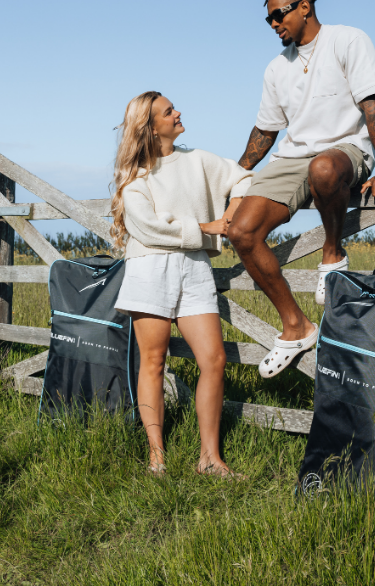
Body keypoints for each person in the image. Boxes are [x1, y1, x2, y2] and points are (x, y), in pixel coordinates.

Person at [227, 0, 375, 379]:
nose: (273, 24)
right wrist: (233, 176)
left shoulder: (348, 40)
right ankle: (296, 326)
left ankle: (332, 254)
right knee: (241, 231)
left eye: (279, 14)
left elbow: (372, 106)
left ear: (304, 6)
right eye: (268, 19)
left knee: (323, 168)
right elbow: (266, 132)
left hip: (345, 152)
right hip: (293, 158)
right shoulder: (276, 68)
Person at [110, 91, 251, 477]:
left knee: (214, 360)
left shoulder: (199, 160)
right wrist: (207, 227)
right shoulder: (135, 177)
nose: (178, 113)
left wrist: (230, 218)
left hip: (194, 267)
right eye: (168, 111)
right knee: (153, 361)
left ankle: (210, 459)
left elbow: (244, 178)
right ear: (151, 127)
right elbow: (147, 228)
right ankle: (157, 457)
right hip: (149, 268)